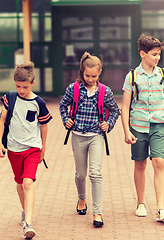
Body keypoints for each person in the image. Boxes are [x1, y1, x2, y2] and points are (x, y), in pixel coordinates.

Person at [121, 34, 164, 221]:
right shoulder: (132, 76)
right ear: (142, 54)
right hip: (138, 125)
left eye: (159, 54)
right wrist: (126, 131)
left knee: (159, 162)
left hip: (159, 124)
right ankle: (140, 203)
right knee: (140, 163)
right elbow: (125, 106)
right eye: (154, 54)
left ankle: (161, 208)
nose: (157, 58)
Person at [59, 52, 120, 227]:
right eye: (87, 75)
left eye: (94, 76)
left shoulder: (105, 91)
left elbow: (115, 111)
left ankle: (97, 213)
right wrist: (66, 120)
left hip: (96, 137)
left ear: (99, 73)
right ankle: (81, 198)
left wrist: (108, 124)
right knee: (80, 174)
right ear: (82, 72)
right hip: (78, 135)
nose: (91, 79)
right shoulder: (74, 89)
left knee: (95, 172)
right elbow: (63, 105)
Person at [0, 62, 52, 238]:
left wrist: (43, 148)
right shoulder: (10, 97)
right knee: (20, 183)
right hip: (13, 148)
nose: (21, 90)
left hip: (32, 148)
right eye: (18, 86)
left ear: (33, 83)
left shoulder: (39, 103)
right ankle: (24, 209)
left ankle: (28, 224)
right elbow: (3, 120)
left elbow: (44, 126)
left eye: (25, 87)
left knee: (28, 182)